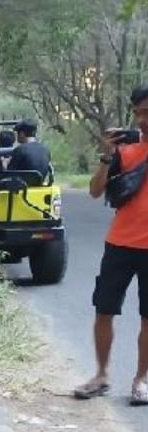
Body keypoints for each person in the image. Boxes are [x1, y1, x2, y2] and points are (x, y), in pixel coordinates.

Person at [77, 85, 148, 405]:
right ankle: (102, 375)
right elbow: (94, 191)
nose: (142, 119)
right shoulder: (124, 151)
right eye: (137, 113)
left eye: (147, 112)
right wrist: (107, 156)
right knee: (103, 310)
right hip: (119, 243)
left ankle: (140, 380)